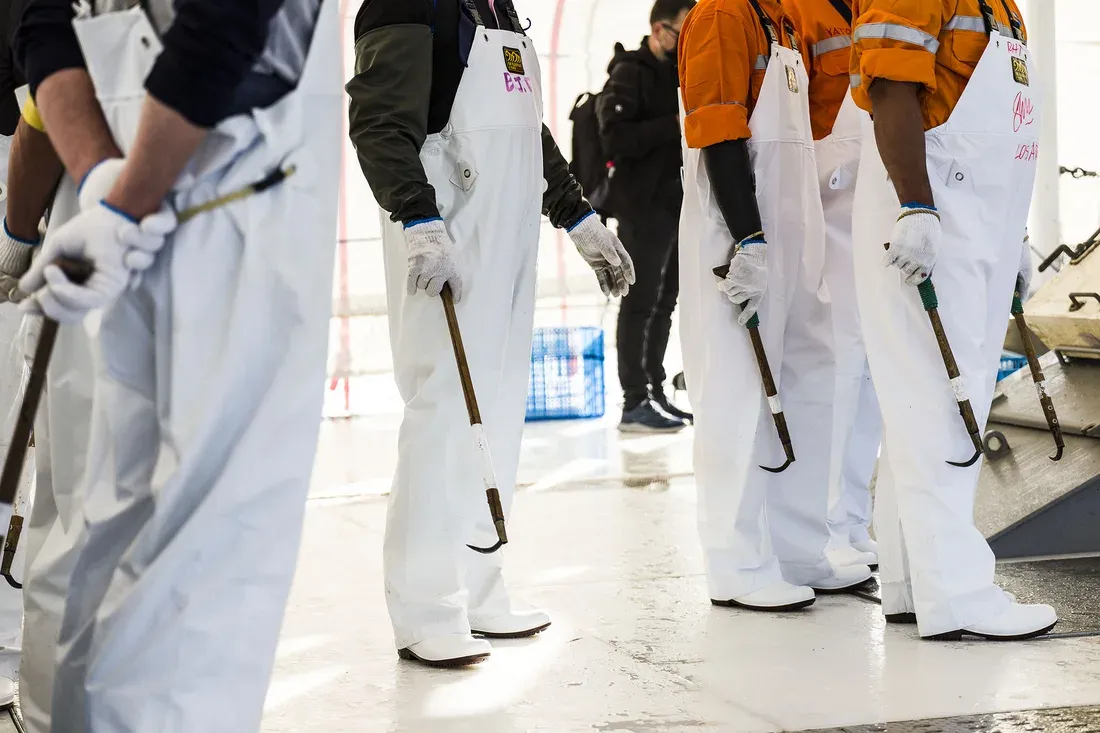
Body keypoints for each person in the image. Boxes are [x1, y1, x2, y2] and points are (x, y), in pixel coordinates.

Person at [14, 1, 341, 729]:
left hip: (118, 217)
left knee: (110, 528)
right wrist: (122, 200)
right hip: (234, 210)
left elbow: (39, 23)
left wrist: (101, 182)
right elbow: (224, 22)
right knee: (209, 558)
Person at [347, 0, 634, 667]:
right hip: (450, 233)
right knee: (445, 414)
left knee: (497, 412)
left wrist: (576, 215)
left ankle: (479, 587)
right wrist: (417, 220)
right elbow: (380, 122)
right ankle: (426, 607)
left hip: (508, 237)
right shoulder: (405, 3)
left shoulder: (496, 8)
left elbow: (526, 131)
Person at [850, 0, 1057, 640]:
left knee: (923, 403)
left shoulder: (1001, 6)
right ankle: (959, 595)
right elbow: (890, 85)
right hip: (933, 210)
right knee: (941, 400)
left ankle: (915, 582)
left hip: (978, 219)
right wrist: (916, 205)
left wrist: (1014, 235)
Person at [677, 0, 872, 613]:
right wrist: (748, 238)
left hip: (796, 238)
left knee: (811, 384)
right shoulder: (721, 16)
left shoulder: (778, 20)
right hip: (740, 239)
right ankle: (736, 564)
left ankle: (798, 550)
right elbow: (718, 132)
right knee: (737, 398)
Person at [786, 0, 879, 570]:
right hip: (824, 205)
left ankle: (852, 519)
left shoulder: (876, 8)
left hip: (873, 199)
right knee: (837, 370)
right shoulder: (800, 10)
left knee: (868, 374)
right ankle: (824, 526)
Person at [598, 0, 695, 432]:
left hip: (674, 206)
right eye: (680, 32)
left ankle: (655, 389)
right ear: (659, 30)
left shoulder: (677, 71)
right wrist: (674, 123)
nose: (684, 42)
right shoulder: (629, 72)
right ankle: (634, 400)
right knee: (639, 303)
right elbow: (615, 138)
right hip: (641, 207)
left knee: (665, 302)